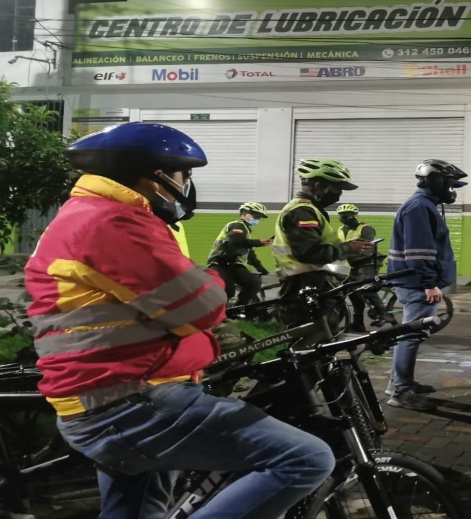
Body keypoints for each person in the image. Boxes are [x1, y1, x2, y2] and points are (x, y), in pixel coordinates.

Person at [23, 122, 336, 518]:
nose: (187, 183)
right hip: (128, 403)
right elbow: (200, 307)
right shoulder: (113, 222)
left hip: (107, 396)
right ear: (154, 177)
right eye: (184, 174)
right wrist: (214, 279)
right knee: (304, 459)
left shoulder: (89, 214)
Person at [385, 159, 468, 411]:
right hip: (416, 284)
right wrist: (429, 284)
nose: (452, 190)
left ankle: (399, 382)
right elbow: (419, 250)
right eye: (450, 184)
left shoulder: (424, 205)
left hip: (414, 282)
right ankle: (400, 391)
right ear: (436, 181)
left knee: (410, 335)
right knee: (411, 335)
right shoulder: (419, 207)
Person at [272, 158, 372, 335]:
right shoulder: (302, 211)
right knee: (310, 344)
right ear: (318, 185)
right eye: (337, 188)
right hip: (304, 286)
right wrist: (348, 248)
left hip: (314, 284)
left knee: (322, 341)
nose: (339, 194)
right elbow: (310, 253)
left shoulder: (311, 209)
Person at [206, 201, 273, 307]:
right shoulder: (238, 225)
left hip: (232, 264)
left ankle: (237, 310)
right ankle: (220, 314)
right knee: (228, 290)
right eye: (255, 216)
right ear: (244, 214)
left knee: (253, 284)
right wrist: (258, 242)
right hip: (221, 263)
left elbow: (248, 251)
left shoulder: (246, 229)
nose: (257, 219)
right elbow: (235, 242)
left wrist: (260, 267)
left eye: (259, 217)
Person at [336, 203, 390, 330]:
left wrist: (347, 255)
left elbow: (367, 249)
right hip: (351, 263)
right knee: (353, 293)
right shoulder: (340, 230)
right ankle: (358, 323)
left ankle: (383, 313)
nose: (344, 218)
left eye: (347, 215)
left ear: (355, 215)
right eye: (342, 216)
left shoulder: (366, 229)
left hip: (367, 261)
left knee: (365, 287)